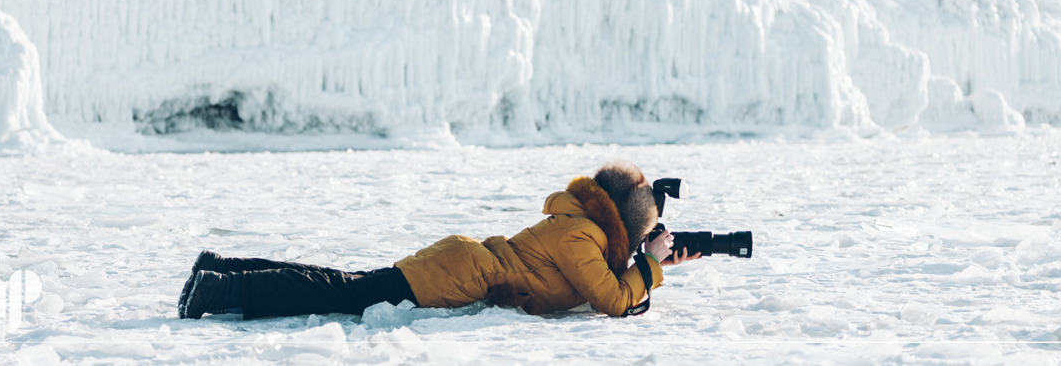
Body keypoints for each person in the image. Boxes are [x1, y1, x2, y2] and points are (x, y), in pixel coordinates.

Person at [178, 160, 699, 320]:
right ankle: (217, 290)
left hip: (461, 262)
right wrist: (648, 266)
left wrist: (653, 266)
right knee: (340, 293)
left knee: (346, 285)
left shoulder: (576, 228)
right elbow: (612, 299)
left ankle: (221, 268)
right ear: (621, 227)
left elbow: (608, 285)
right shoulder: (582, 236)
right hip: (458, 273)